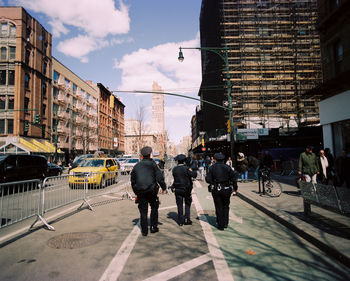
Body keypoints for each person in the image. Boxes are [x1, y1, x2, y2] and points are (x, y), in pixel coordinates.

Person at [130, 146, 166, 236]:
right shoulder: (153, 165)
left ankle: (144, 230)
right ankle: (154, 227)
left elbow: (133, 181)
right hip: (151, 190)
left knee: (143, 211)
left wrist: (136, 192)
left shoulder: (136, 166)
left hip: (141, 192)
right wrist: (164, 188)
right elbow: (160, 178)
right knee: (154, 207)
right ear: (150, 155)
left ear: (142, 155)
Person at [205, 152, 237, 230]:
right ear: (223, 159)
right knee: (226, 206)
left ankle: (220, 224)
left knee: (218, 206)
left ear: (215, 159)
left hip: (216, 189)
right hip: (226, 189)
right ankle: (225, 222)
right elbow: (234, 178)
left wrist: (212, 181)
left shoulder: (212, 168)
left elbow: (208, 179)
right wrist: (235, 188)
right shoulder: (228, 167)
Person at [171, 154, 197, 226]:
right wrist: (192, 170)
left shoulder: (174, 169)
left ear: (178, 161)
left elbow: (175, 178)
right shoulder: (186, 168)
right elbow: (194, 175)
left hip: (178, 189)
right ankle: (187, 219)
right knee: (187, 204)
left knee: (179, 205)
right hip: (186, 189)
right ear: (184, 161)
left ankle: (180, 221)